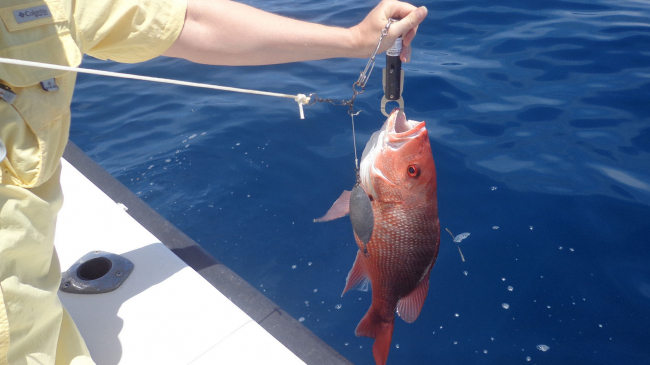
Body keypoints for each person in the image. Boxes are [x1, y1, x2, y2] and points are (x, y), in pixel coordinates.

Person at [0, 0, 427, 363]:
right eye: (413, 173)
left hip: (41, 318)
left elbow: (185, 21)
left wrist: (355, 40)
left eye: (412, 171)